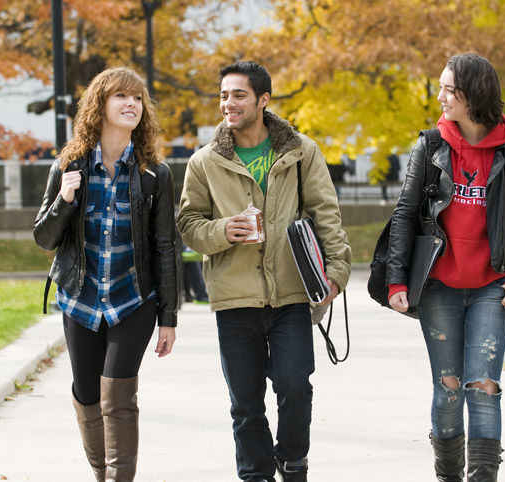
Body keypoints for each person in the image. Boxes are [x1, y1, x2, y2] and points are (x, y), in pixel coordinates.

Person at [176, 60, 351, 482]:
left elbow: (325, 212)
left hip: (292, 293)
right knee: (246, 402)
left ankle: (292, 461)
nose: (228, 104)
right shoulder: (203, 163)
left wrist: (337, 272)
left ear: (263, 99)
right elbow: (188, 224)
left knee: (295, 386)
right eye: (223, 95)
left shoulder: (300, 151)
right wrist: (223, 230)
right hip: (234, 297)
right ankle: (255, 474)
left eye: (238, 95)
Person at [386, 53, 505, 482]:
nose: (440, 97)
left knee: (484, 388)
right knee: (449, 386)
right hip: (440, 287)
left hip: (494, 286)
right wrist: (397, 278)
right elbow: (405, 213)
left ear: (473, 93)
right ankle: (449, 476)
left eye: (448, 89)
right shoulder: (430, 146)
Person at [33, 66, 178, 482]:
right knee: (87, 394)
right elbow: (44, 239)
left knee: (118, 396)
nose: (131, 104)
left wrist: (168, 317)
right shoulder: (69, 165)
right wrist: (64, 198)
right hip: (80, 298)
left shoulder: (155, 174)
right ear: (101, 105)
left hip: (133, 299)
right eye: (121, 96)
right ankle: (101, 475)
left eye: (137, 98)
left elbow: (165, 247)